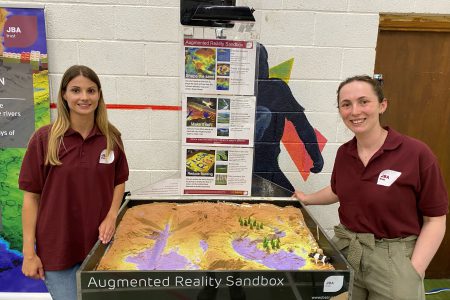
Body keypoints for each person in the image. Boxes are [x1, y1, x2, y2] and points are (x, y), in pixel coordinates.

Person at [293, 75, 448, 300]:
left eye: (363, 101)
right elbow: (338, 191)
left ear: (382, 105)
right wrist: (307, 198)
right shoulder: (344, 153)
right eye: (346, 104)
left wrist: (413, 271)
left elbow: (435, 219)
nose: (355, 111)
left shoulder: (416, 154)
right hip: (348, 250)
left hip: (395, 258)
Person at [19, 65, 129, 300]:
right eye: (76, 90)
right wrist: (29, 251)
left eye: (91, 91)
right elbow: (30, 198)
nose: (84, 97)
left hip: (101, 245)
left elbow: (119, 181)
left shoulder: (111, 138)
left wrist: (111, 216)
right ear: (64, 95)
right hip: (58, 247)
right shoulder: (44, 140)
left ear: (99, 95)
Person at [254, 44, 323, 192]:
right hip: (240, 167)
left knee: (291, 204)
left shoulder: (276, 89)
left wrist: (315, 155)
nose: (260, 66)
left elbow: (302, 125)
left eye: (261, 62)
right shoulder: (232, 91)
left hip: (268, 166)